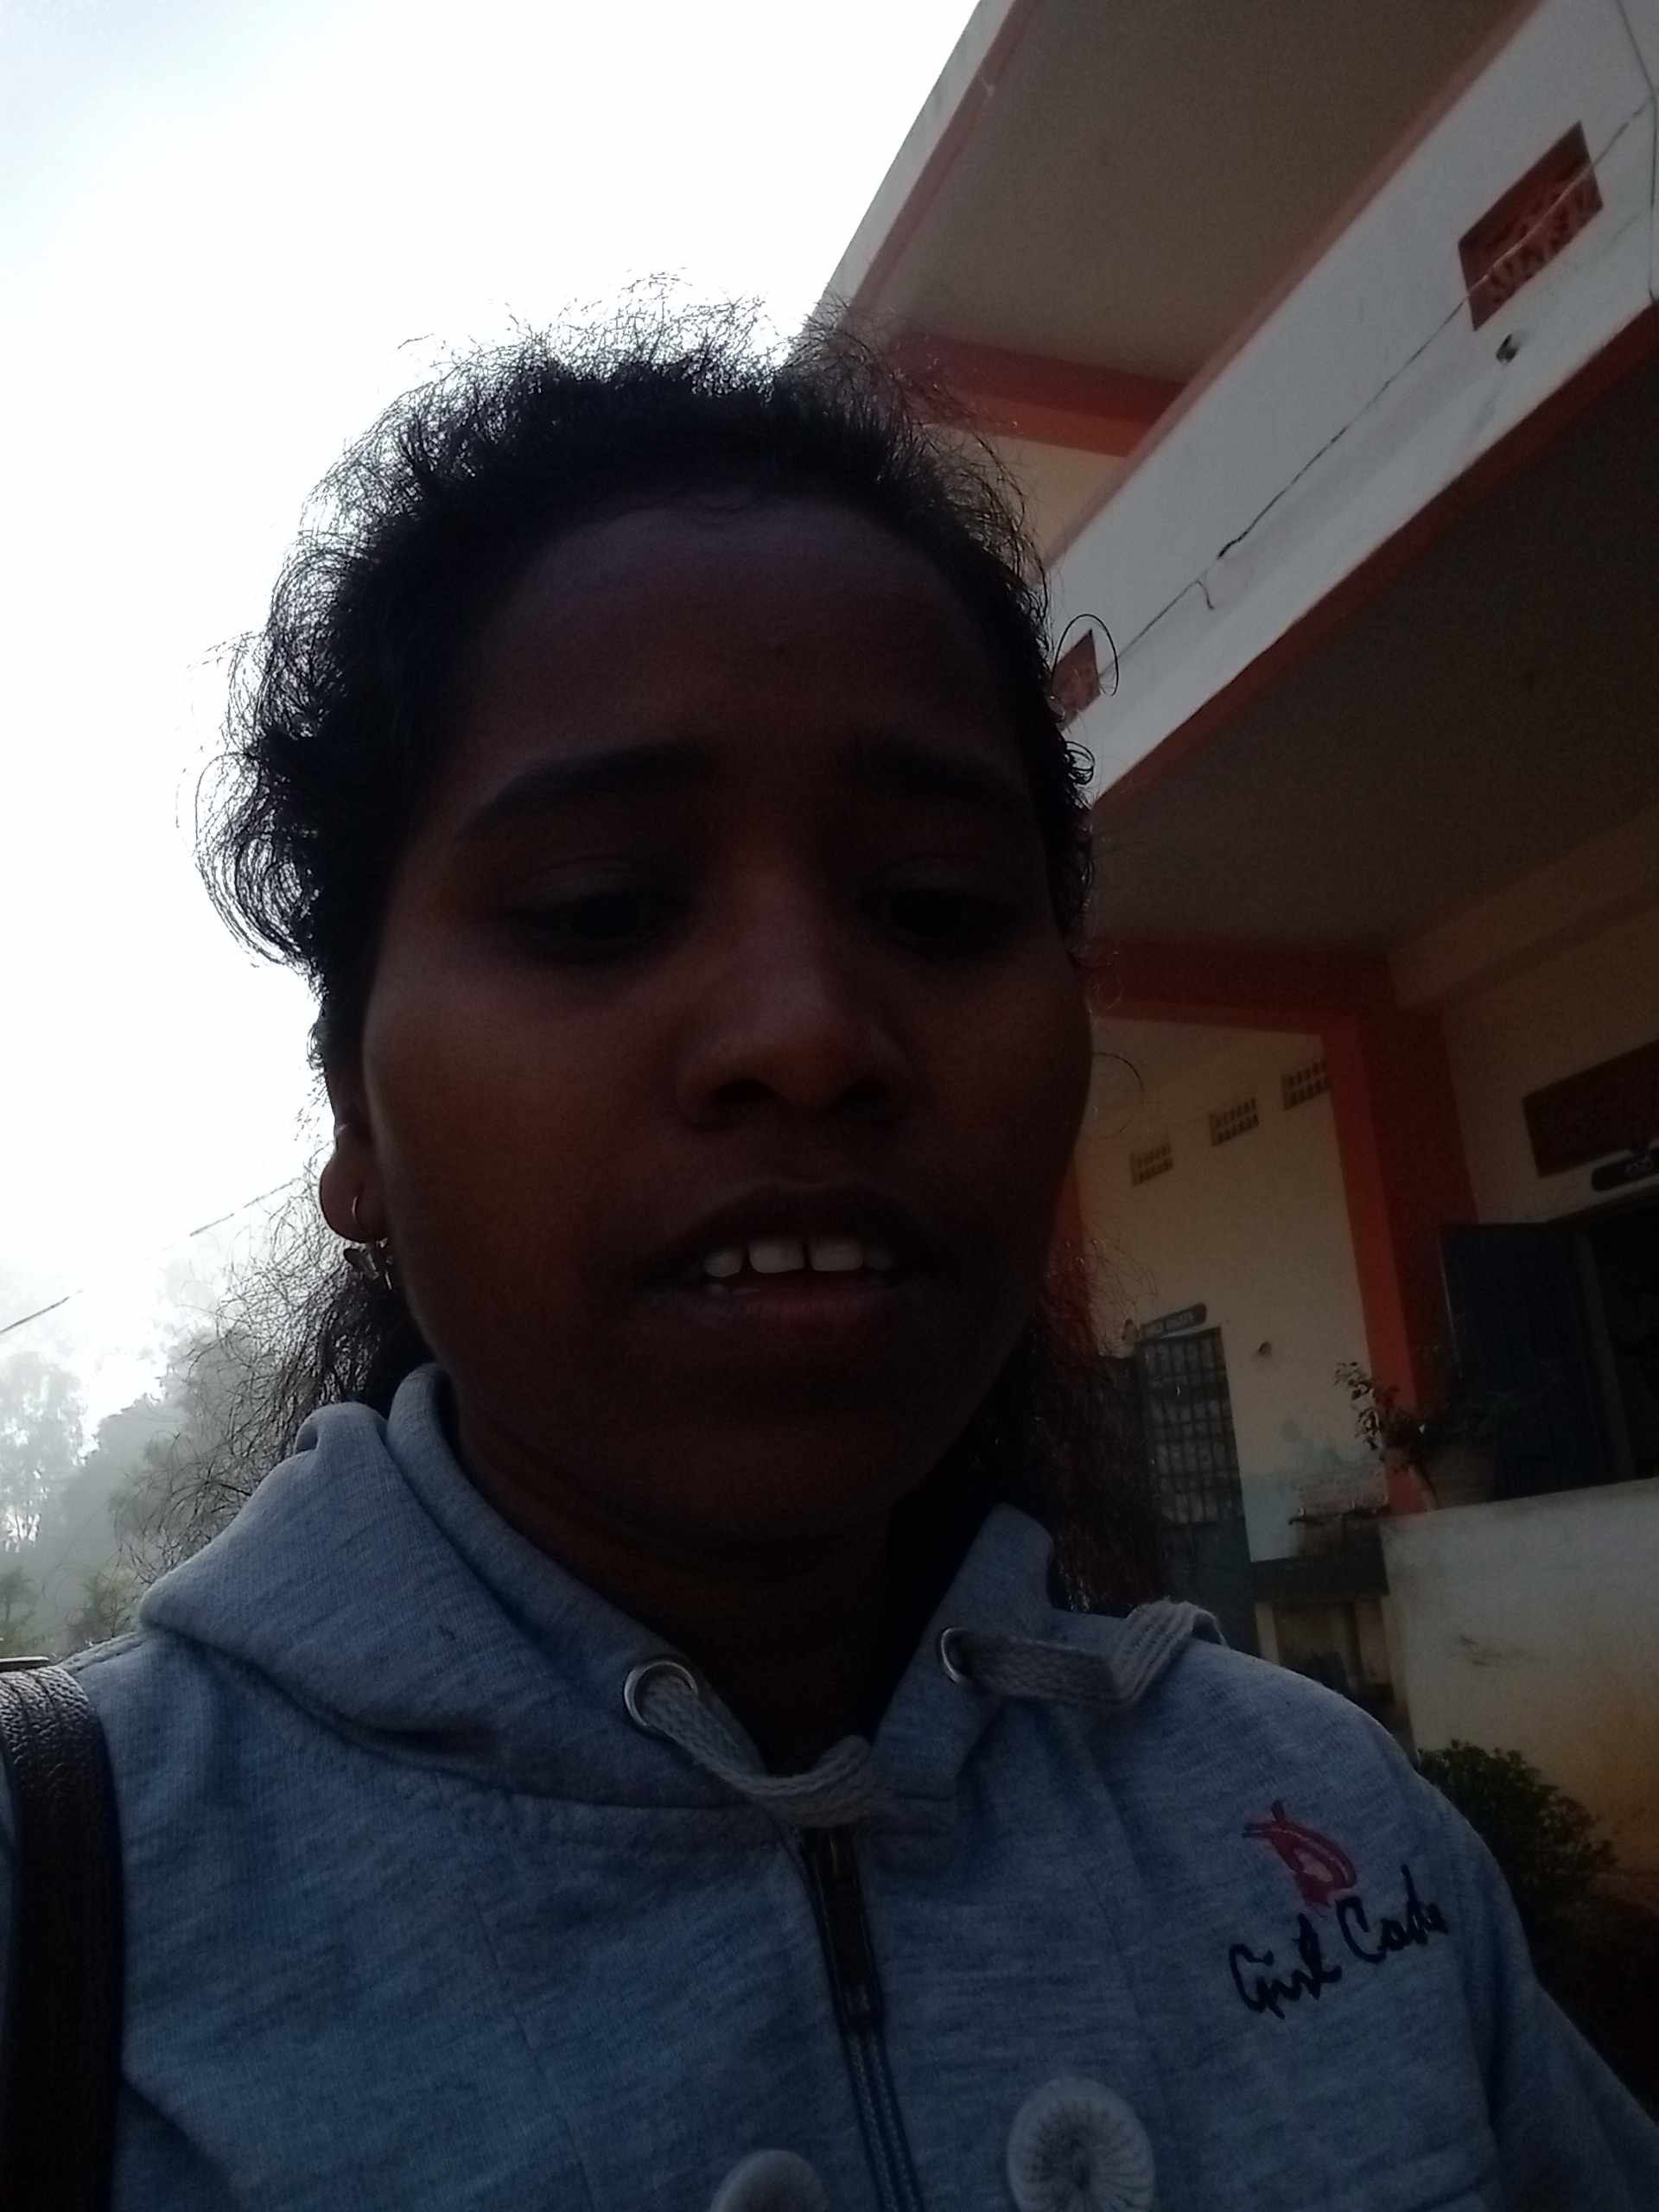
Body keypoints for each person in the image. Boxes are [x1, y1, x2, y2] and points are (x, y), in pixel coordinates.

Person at [3, 308, 1656, 2210]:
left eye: (937, 906)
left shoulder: (1335, 1828)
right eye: (601, 907)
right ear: (354, 1120)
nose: (808, 1030)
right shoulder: (75, 1906)